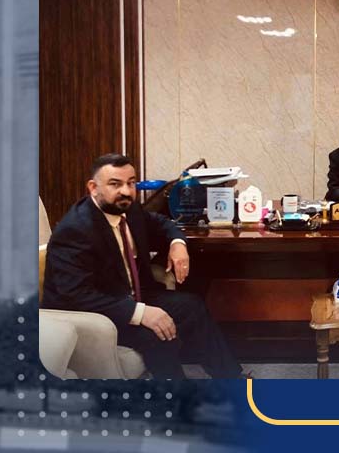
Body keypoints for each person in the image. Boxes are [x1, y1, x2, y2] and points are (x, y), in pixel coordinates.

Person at [42, 153, 243, 379]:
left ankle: (232, 380)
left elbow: (162, 224)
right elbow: (76, 296)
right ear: (93, 188)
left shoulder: (127, 208)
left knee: (192, 306)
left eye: (131, 183)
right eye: (115, 184)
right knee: (158, 334)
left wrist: (177, 244)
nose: (126, 191)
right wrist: (140, 313)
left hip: (127, 294)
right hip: (91, 314)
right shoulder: (74, 230)